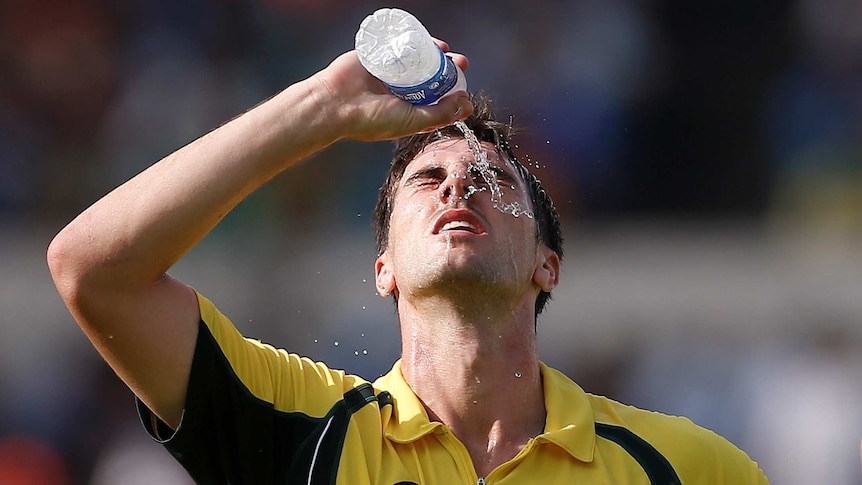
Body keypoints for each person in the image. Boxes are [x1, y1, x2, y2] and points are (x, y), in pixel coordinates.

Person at [47, 38, 769, 484]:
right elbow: (93, 270)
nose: (459, 184)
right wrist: (321, 108)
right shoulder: (303, 426)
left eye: (493, 179)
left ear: (547, 264)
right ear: (384, 265)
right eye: (428, 179)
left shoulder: (686, 466)